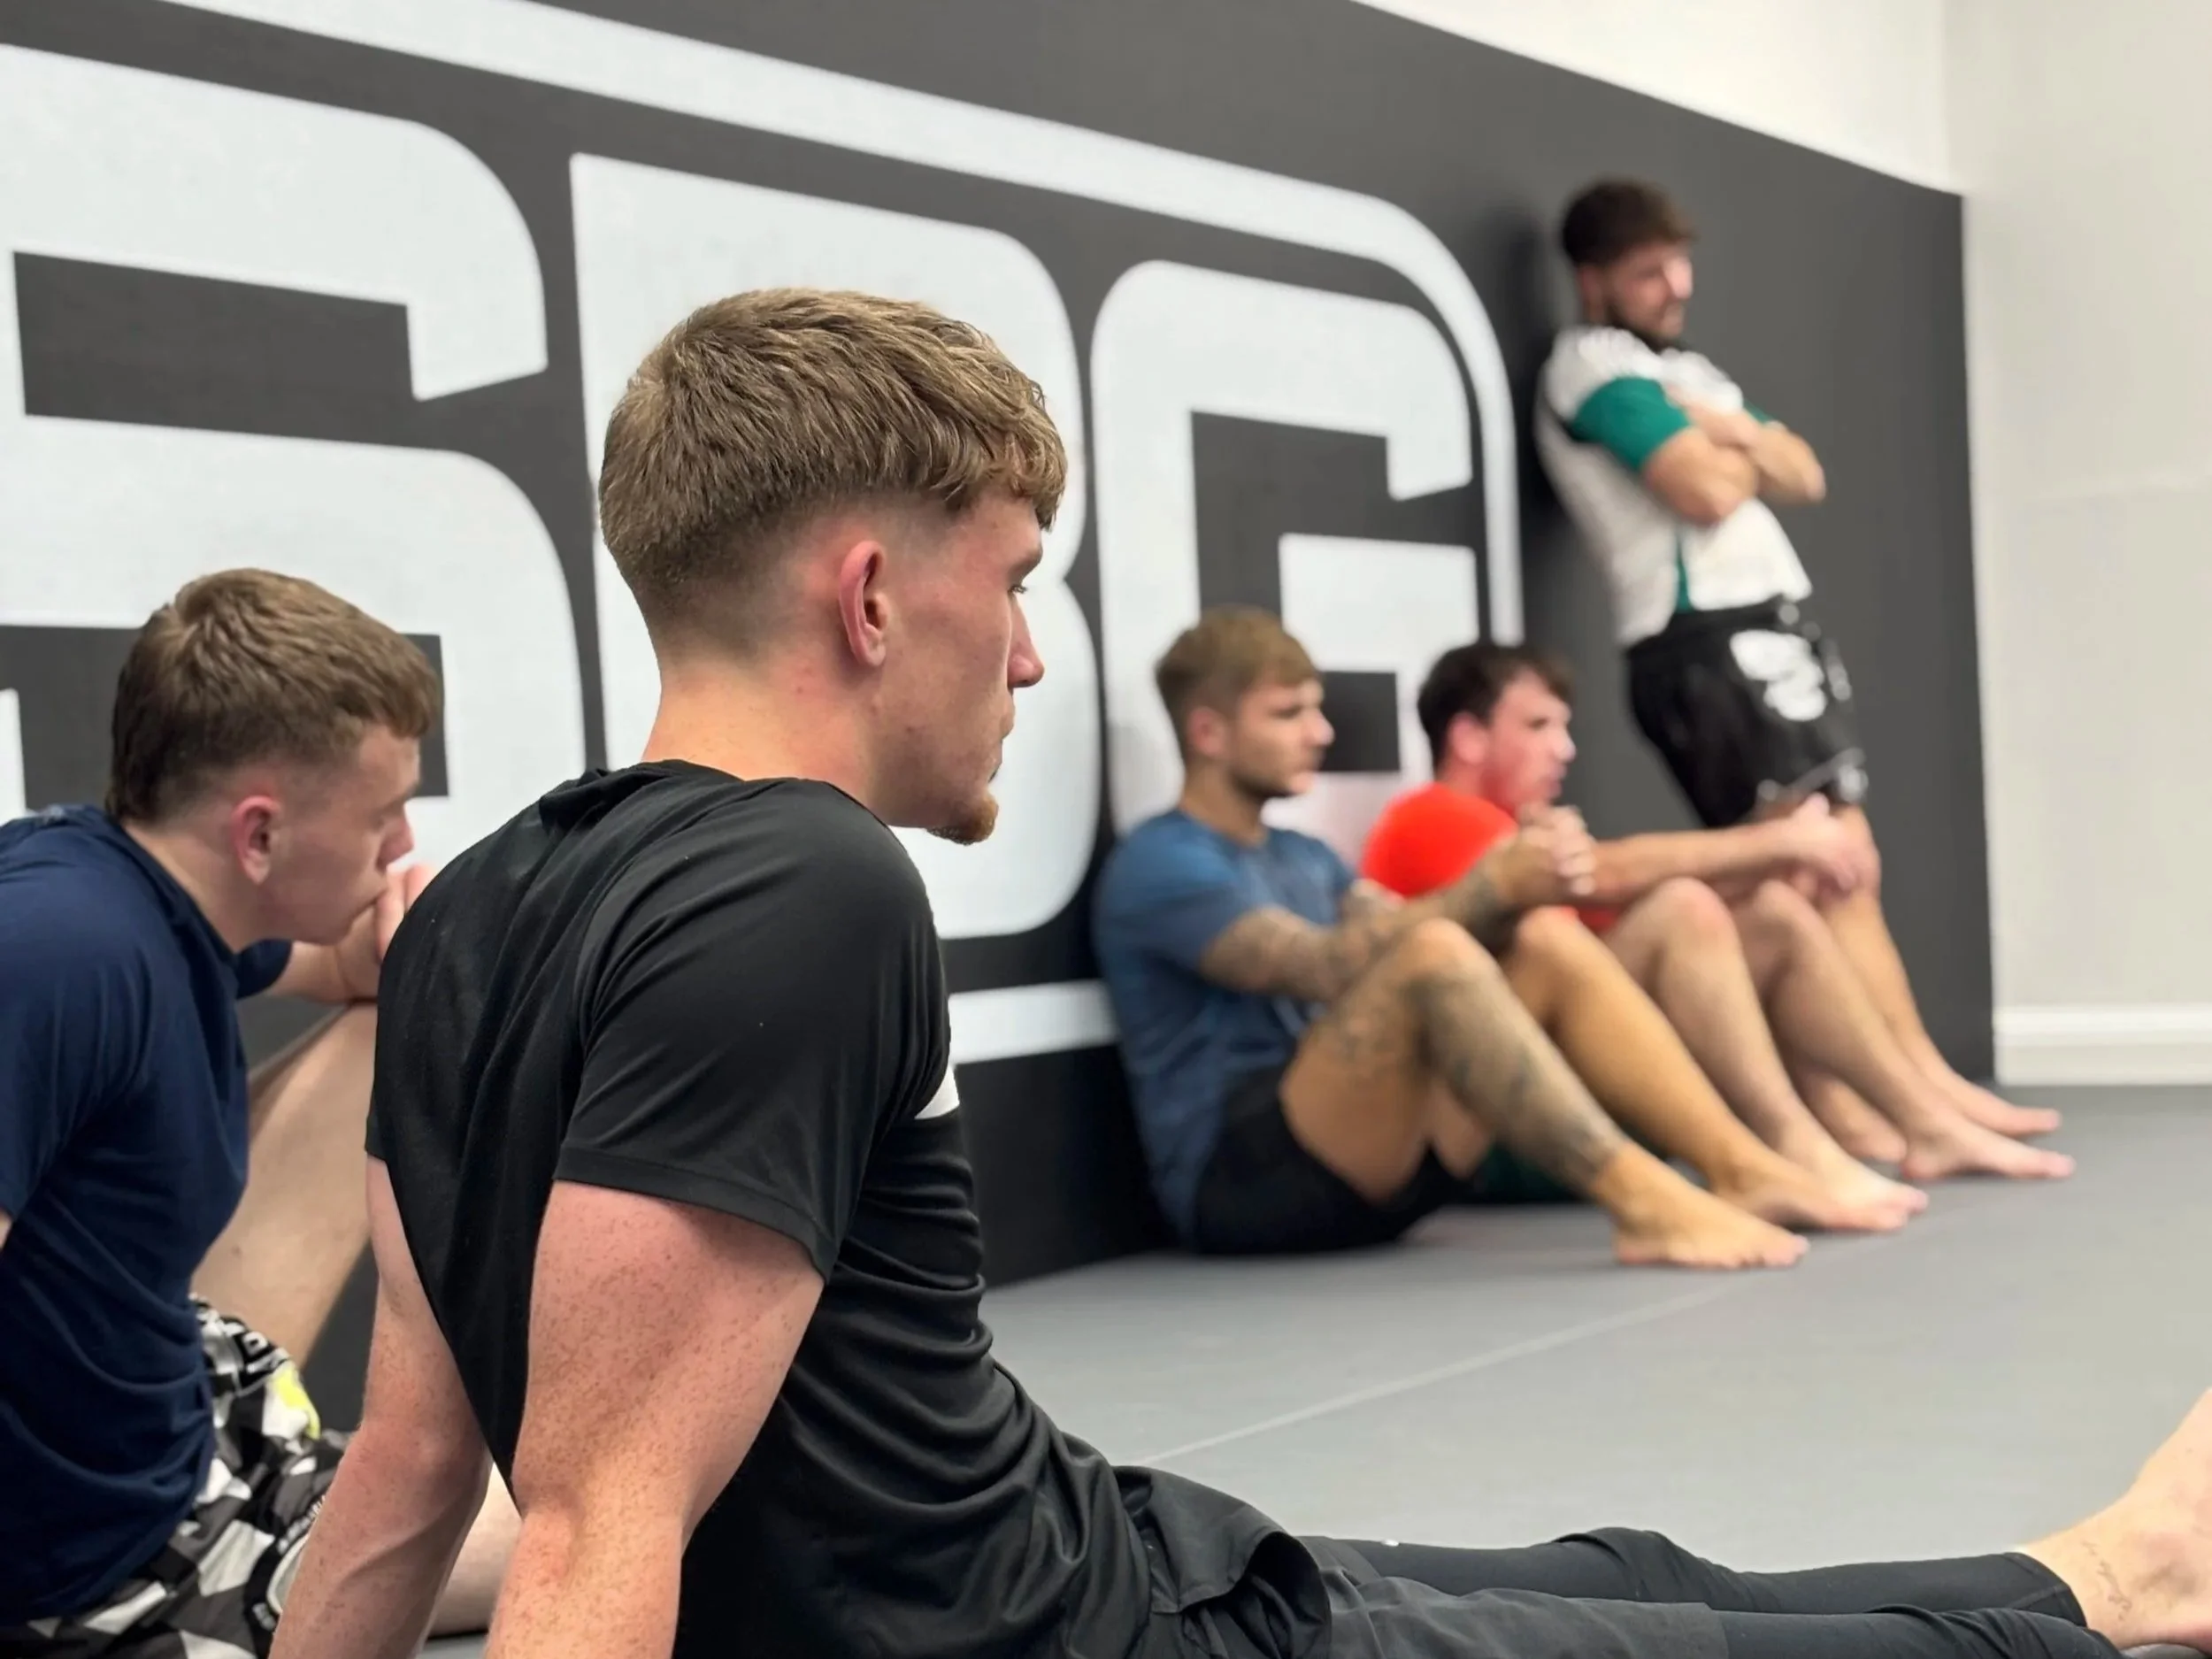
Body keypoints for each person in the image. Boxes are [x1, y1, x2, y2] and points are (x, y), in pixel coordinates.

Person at [270, 285, 2212, 1659]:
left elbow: (408, 1474)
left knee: (1616, 1561)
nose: (1030, 656)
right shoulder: (808, 881)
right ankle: (2114, 1589)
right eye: (1015, 579)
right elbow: (600, 1539)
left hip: (1092, 1544)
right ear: (871, 595)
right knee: (1642, 1627)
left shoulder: (472, 907)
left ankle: (2071, 1572)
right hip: (1075, 1626)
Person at [0, 571, 512, 1657]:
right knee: (571, 1531)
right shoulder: (59, 955)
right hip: (92, 1567)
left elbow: (343, 967)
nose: (399, 843)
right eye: (381, 817)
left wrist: (388, 948)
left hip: (174, 1413)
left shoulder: (148, 896)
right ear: (260, 834)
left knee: (399, 1007)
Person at [1094, 608, 1919, 1260]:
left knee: (1542, 943)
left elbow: (1382, 934)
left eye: (1315, 709)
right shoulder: (1161, 864)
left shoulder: (1305, 856)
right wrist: (1493, 885)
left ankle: (1741, 1166)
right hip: (1240, 1188)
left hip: (1376, 1162)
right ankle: (1646, 1202)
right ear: (1207, 733)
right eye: (1289, 713)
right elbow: (1322, 966)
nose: (1320, 731)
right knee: (1441, 950)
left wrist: (1511, 898)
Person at [1532, 176, 2056, 1151]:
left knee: (1836, 866)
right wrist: (1737, 442)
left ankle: (1898, 1097)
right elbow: (1700, 490)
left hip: (1771, 630)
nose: (1673, 284)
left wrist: (1723, 428)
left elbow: (1804, 471)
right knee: (1817, 865)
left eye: (1678, 263)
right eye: (1647, 270)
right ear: (1592, 278)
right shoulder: (1592, 364)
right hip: (1703, 641)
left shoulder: (1683, 373)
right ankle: (1908, 1106)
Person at [1363, 641, 2071, 1187]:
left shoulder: (1522, 827)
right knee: (1683, 909)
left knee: (1767, 911)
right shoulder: (1433, 816)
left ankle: (1920, 1118)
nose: (1565, 748)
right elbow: (1602, 877)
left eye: (1565, 726)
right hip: (1507, 1125)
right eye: (1540, 725)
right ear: (1467, 738)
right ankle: (1785, 1145)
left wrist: (1769, 864)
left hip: (1591, 1080)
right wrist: (1777, 839)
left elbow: (1611, 908)